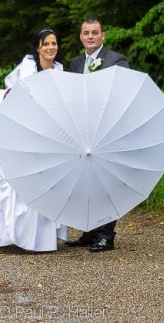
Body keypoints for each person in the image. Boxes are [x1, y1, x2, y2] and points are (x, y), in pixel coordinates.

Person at [0, 28, 68, 252]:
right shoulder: (26, 69)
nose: (51, 48)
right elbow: (11, 96)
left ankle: (36, 238)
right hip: (22, 134)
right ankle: (5, 236)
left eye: (54, 43)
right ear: (37, 47)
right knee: (10, 184)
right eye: (46, 44)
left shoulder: (60, 72)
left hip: (47, 137)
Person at [66, 17, 129, 252]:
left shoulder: (117, 61)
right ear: (80, 37)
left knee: (105, 183)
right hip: (82, 131)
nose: (90, 36)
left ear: (103, 35)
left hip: (106, 131)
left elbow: (121, 93)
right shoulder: (75, 63)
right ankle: (89, 231)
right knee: (85, 182)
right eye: (86, 33)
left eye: (95, 32)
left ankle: (106, 235)